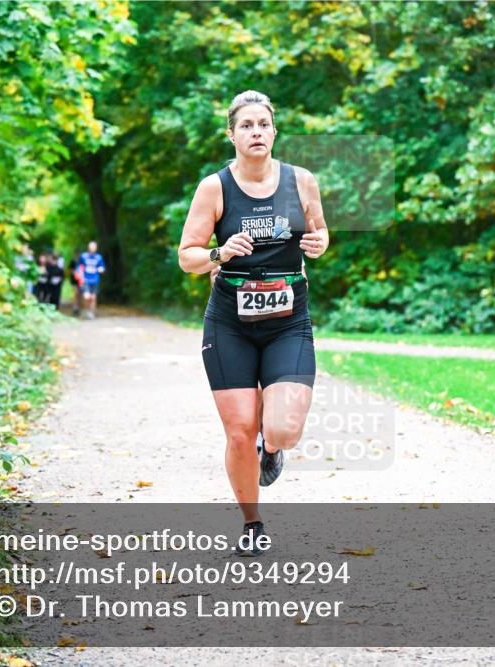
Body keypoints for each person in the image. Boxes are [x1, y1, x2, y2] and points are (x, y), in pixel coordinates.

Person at [178, 90, 329, 556]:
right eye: (246, 125)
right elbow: (188, 257)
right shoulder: (214, 187)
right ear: (232, 134)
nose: (256, 132)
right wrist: (221, 253)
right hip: (230, 322)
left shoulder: (302, 181)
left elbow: (320, 230)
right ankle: (252, 522)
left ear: (274, 131)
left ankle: (273, 447)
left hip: (288, 319)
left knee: (282, 428)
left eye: (263, 124)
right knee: (240, 429)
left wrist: (319, 243)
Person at [80, 241, 105, 319]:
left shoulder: (99, 257)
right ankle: (87, 310)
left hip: (95, 279)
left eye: (94, 247)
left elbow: (102, 267)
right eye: (91, 247)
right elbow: (80, 267)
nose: (92, 248)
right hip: (86, 279)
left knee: (93, 297)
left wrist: (101, 269)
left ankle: (92, 312)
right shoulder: (84, 256)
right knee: (87, 297)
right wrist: (80, 274)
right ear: (88, 248)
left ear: (96, 248)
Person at [68, 251, 83, 316]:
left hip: (80, 281)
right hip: (74, 281)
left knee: (79, 295)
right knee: (75, 294)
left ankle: (78, 308)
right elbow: (70, 269)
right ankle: (75, 308)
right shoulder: (73, 261)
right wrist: (75, 273)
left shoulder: (81, 262)